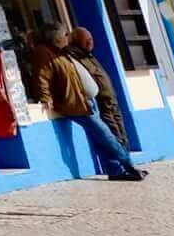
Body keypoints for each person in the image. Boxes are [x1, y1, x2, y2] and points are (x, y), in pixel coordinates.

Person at [38, 25, 147, 180]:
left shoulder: (62, 52)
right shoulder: (45, 52)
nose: (68, 37)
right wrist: (45, 97)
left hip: (87, 101)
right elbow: (43, 76)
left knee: (101, 138)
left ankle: (115, 171)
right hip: (75, 104)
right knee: (106, 135)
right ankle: (129, 165)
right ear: (56, 37)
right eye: (65, 34)